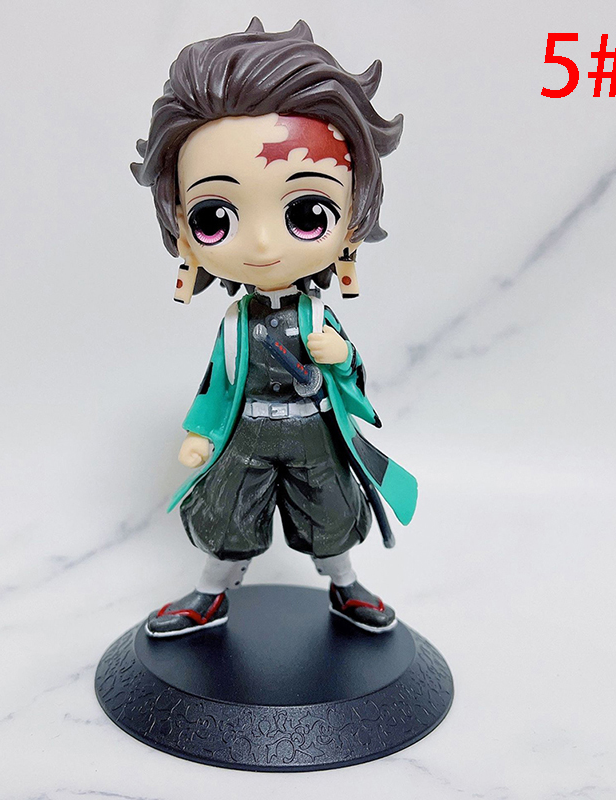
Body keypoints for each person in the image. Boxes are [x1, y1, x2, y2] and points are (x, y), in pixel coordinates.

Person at [131, 18, 418, 638]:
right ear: (183, 228)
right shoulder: (237, 323)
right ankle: (210, 595)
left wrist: (339, 355)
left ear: (352, 218)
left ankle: (346, 585)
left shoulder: (317, 315)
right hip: (248, 435)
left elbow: (353, 378)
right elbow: (217, 383)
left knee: (331, 516)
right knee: (228, 519)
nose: (262, 244)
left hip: (314, 431)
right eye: (215, 217)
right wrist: (201, 433)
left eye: (307, 212)